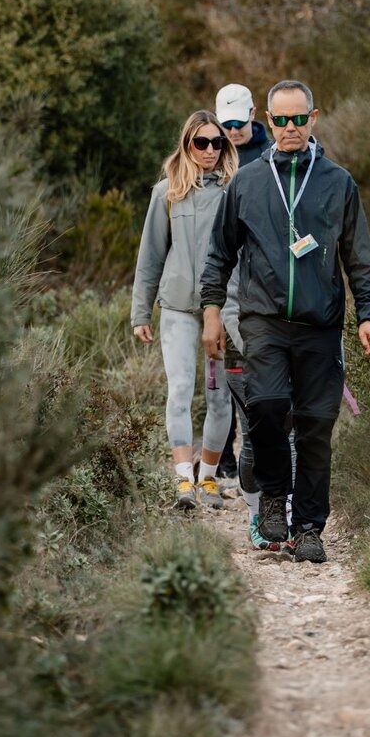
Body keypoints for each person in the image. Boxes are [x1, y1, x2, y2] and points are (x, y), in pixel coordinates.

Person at [200, 80, 370, 562]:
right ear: (269, 118)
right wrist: (212, 313)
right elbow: (219, 255)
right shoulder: (247, 182)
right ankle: (273, 501)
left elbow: (358, 258)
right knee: (266, 406)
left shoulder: (338, 182)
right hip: (262, 321)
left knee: (316, 426)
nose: (289, 128)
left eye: (299, 119)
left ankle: (308, 528)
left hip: (320, 325)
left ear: (313, 119)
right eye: (280, 120)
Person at [131, 111, 239, 511]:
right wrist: (140, 312)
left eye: (217, 143)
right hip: (176, 307)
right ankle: (182, 482)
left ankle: (208, 479)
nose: (210, 150)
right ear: (187, 144)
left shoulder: (234, 191)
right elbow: (151, 254)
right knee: (178, 392)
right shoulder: (166, 193)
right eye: (202, 142)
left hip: (221, 311)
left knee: (218, 397)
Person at [214, 84, 270, 486]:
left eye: (239, 122)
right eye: (226, 124)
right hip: (226, 271)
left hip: (262, 275)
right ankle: (227, 455)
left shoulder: (270, 155)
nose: (233, 131)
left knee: (255, 368)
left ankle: (254, 455)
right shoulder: (213, 153)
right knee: (228, 367)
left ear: (253, 114)